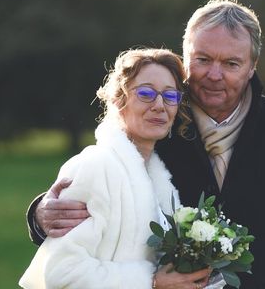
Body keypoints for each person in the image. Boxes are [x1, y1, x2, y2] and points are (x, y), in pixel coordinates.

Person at [27, 0, 265, 288]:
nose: (214, 75)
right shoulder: (155, 119)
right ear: (184, 55)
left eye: (231, 64)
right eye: (203, 59)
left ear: (252, 66)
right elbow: (106, 175)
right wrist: (40, 214)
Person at [19, 48, 211, 289]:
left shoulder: (158, 178)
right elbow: (61, 272)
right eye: (145, 93)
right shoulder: (96, 167)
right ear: (119, 100)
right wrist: (150, 282)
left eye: (170, 96)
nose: (160, 105)